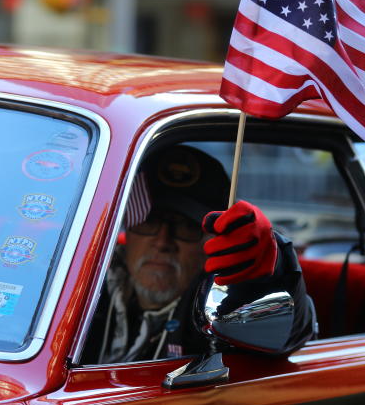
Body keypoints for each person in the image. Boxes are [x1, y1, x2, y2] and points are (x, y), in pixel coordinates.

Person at [85, 145, 315, 364]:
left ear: (214, 243)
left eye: (186, 227)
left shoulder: (217, 312)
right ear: (128, 228)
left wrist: (267, 271)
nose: (163, 242)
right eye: (149, 222)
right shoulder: (85, 281)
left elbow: (289, 334)